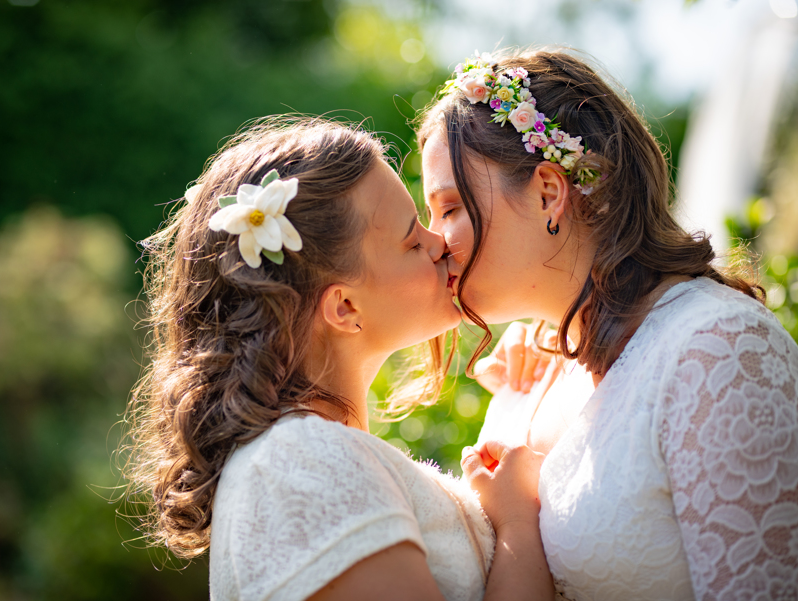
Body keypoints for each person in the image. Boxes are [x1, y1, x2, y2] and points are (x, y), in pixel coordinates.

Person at [418, 48, 798, 600]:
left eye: (451, 207)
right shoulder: (546, 365)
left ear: (549, 193)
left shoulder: (719, 356)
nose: (435, 241)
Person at [121, 116, 555, 601]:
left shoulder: (314, 453)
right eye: (413, 240)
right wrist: (518, 525)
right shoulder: (303, 461)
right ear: (344, 307)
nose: (441, 245)